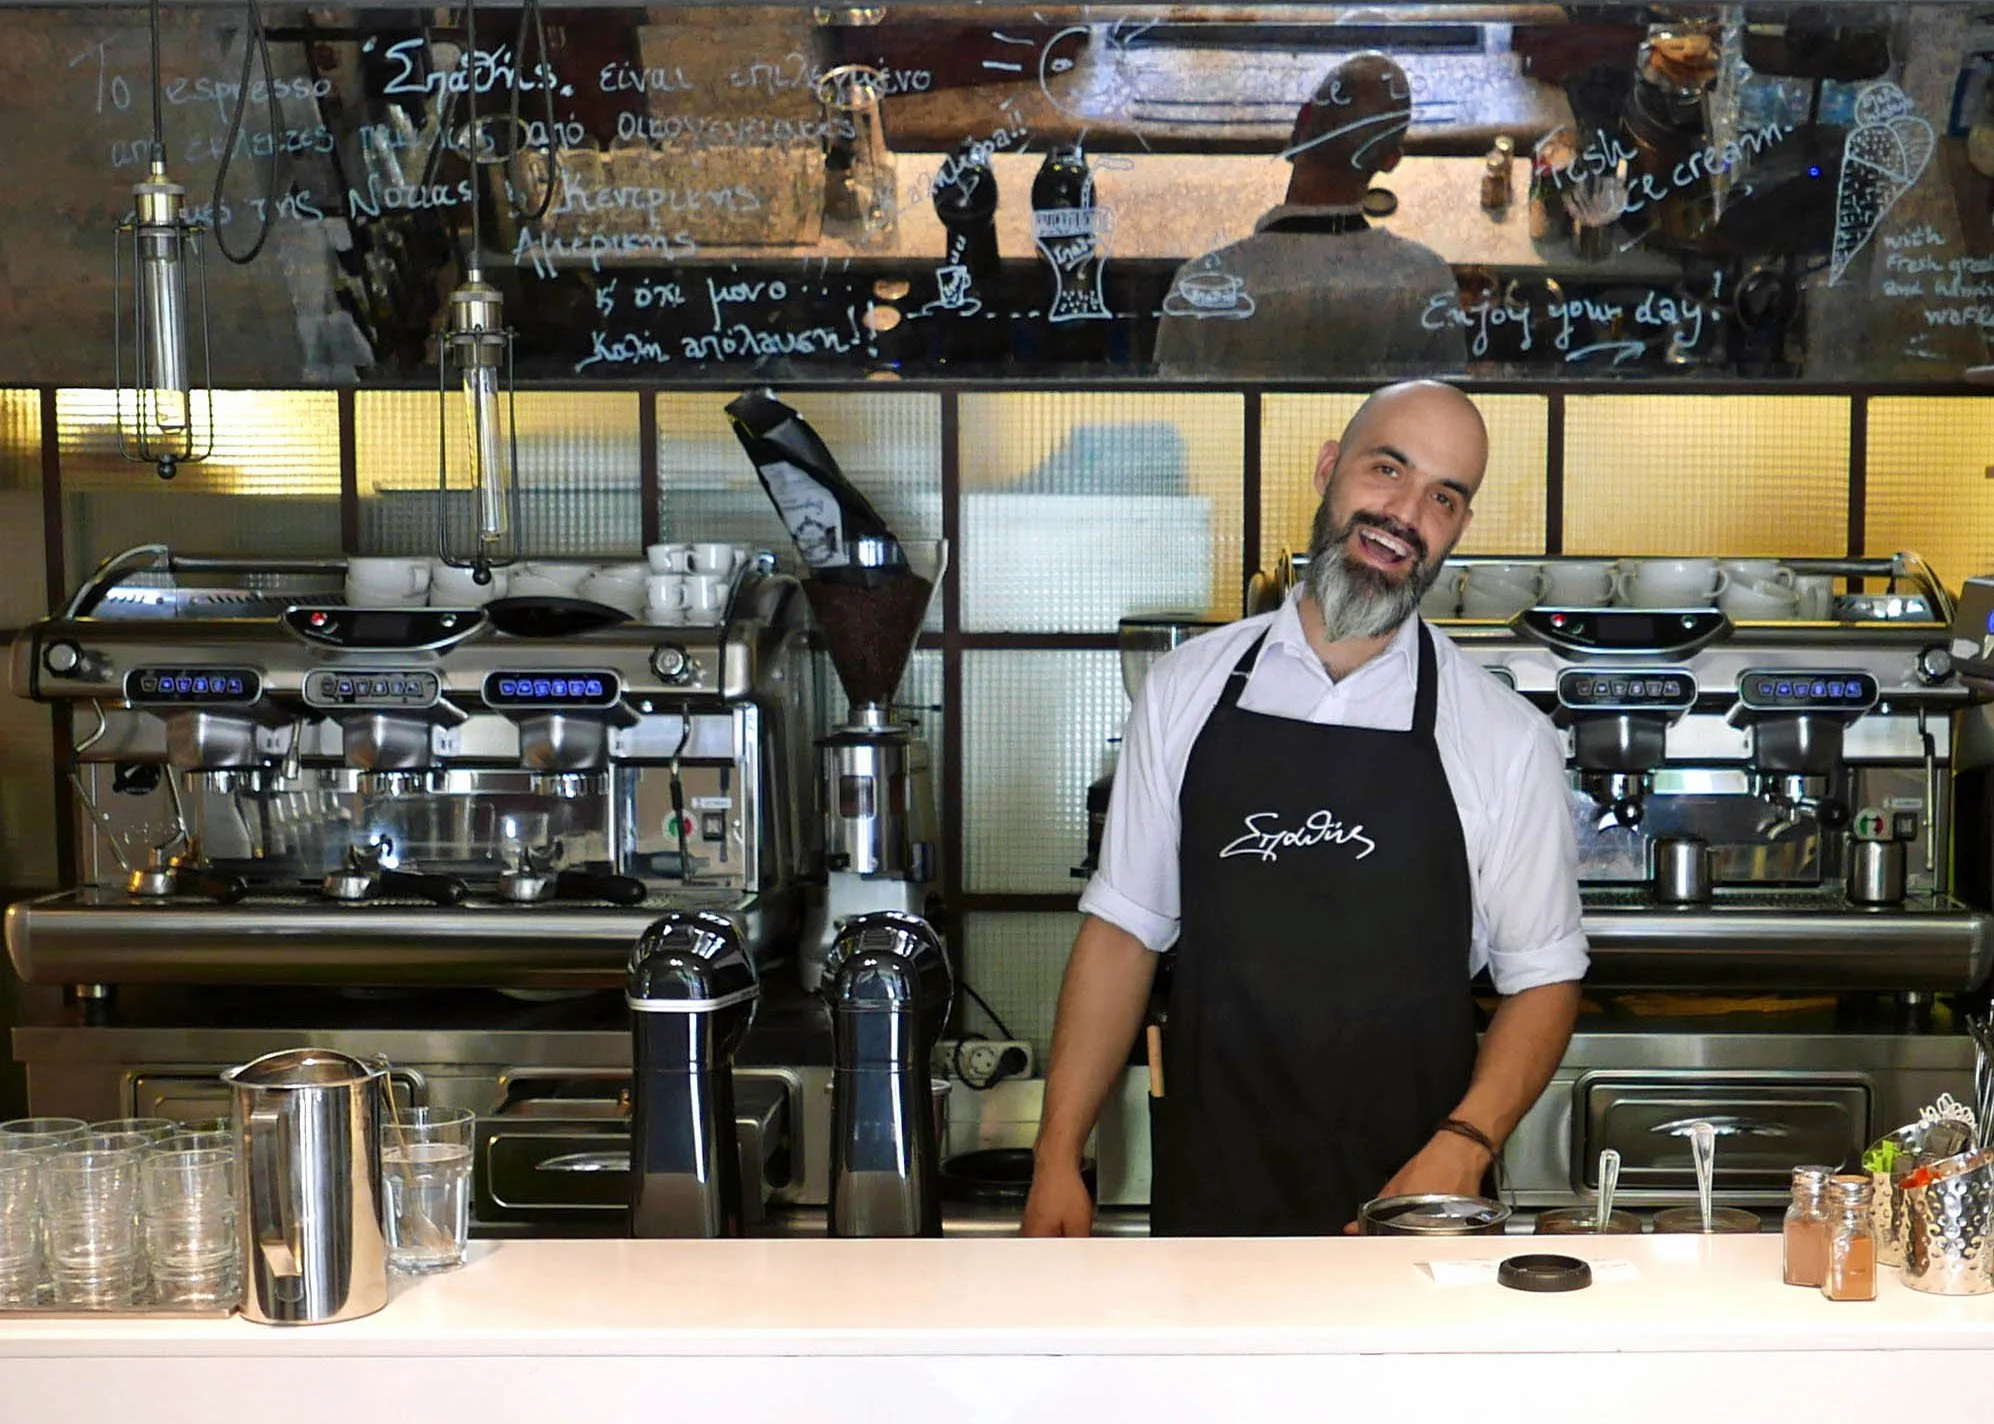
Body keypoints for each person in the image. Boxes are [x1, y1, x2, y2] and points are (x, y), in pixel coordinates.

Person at [1022, 381, 1586, 1237]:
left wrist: (1464, 1147)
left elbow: (1543, 979)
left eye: (1443, 496)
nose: (1405, 512)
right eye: (1387, 468)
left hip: (1410, 1212)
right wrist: (1058, 1155)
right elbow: (1123, 934)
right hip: (1211, 1201)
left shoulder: (1506, 738)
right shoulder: (1188, 688)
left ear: (1459, 528)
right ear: (1330, 468)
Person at [1152, 53, 1467, 378]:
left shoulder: (1200, 291)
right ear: (1390, 161)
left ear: (1302, 121)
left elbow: (1174, 411)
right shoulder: (1427, 283)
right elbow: (1446, 402)